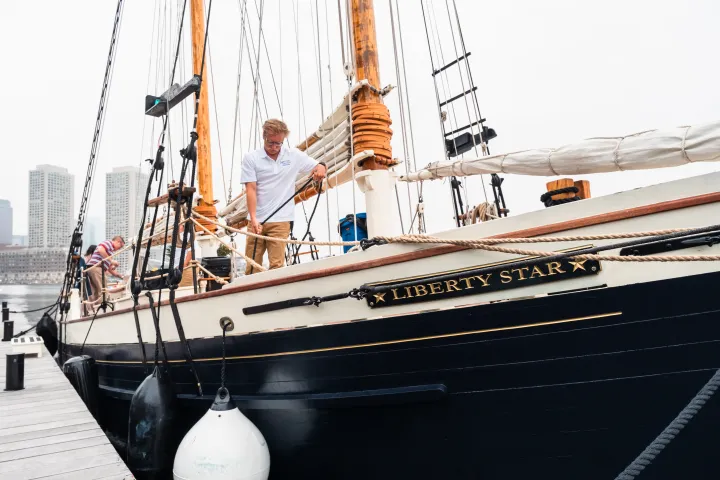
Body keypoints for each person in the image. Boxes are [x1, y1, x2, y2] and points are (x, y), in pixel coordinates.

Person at [240, 119, 327, 275]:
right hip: (256, 219)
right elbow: (251, 189)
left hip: (281, 220)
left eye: (278, 144)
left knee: (277, 267)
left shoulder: (292, 155)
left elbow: (318, 165)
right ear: (264, 137)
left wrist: (321, 168)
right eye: (270, 143)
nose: (274, 147)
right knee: (252, 267)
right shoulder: (251, 158)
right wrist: (253, 218)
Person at [86, 236, 125, 306]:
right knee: (103, 289)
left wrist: (116, 274)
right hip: (96, 268)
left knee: (98, 290)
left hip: (94, 268)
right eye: (120, 247)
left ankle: (97, 307)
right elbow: (100, 249)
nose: (119, 249)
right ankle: (102, 307)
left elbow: (109, 267)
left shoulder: (109, 252)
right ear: (118, 242)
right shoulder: (109, 243)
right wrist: (111, 260)